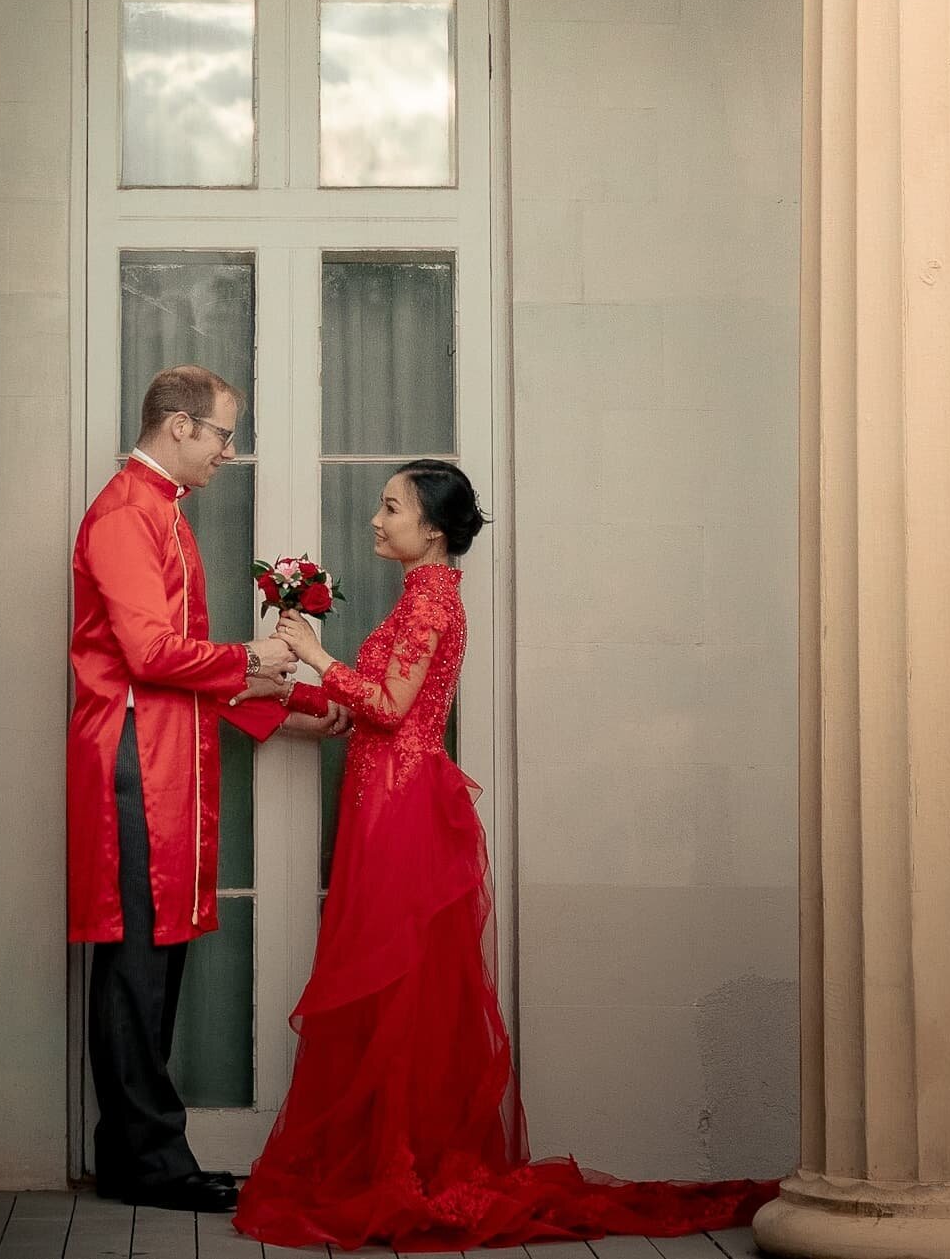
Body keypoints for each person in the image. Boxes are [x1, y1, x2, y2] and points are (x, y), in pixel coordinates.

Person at [234, 458, 778, 1250]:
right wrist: (274, 686)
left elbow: (385, 707)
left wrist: (316, 655)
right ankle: (388, 1158)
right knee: (392, 990)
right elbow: (368, 706)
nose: (376, 520)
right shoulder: (421, 598)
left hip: (400, 805)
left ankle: (399, 1165)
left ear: (431, 530)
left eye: (390, 508)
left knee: (401, 989)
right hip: (384, 795)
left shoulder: (430, 602)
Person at [67, 365, 342, 1216]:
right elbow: (150, 658)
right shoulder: (124, 514)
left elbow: (176, 671)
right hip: (133, 760)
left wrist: (281, 701)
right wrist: (252, 660)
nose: (229, 451)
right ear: (179, 426)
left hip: (165, 759)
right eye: (224, 433)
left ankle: (136, 1155)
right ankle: (149, 1160)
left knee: (156, 958)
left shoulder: (161, 515)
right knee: (137, 960)